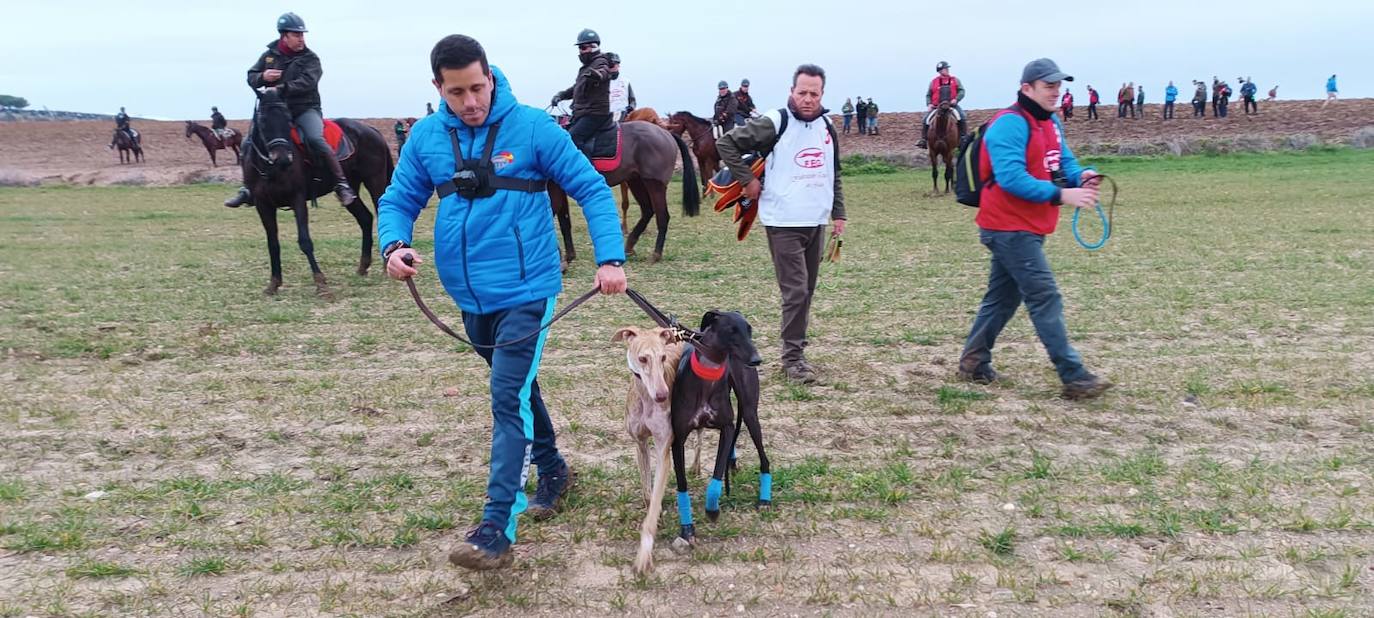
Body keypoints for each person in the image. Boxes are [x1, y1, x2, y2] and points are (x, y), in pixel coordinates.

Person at [379, 34, 627, 571]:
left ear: (491, 77)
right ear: (438, 89)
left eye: (477, 87)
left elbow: (591, 189)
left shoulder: (534, 127)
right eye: (456, 92)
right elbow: (398, 198)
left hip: (527, 290)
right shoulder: (425, 137)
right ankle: (553, 466)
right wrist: (394, 244)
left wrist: (609, 258)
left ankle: (496, 525)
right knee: (517, 388)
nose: (470, 102)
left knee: (505, 394)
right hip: (468, 296)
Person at [957, 58, 1112, 401]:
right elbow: (1012, 179)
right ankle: (1074, 376)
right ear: (1027, 88)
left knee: (1002, 299)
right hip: (1007, 227)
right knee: (1045, 297)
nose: (1056, 91)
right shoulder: (1009, 125)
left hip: (1027, 225)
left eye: (1059, 85)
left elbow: (1063, 162)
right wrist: (1062, 194)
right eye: (1049, 85)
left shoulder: (1050, 122)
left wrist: (1082, 175)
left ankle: (973, 361)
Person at [715, 64, 847, 385]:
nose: (807, 99)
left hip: (815, 221)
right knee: (796, 291)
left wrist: (838, 213)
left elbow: (835, 172)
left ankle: (796, 348)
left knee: (807, 291)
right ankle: (792, 360)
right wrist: (747, 180)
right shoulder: (776, 121)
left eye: (813, 93)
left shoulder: (827, 126)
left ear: (822, 94)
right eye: (801, 92)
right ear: (792, 91)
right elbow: (726, 144)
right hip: (783, 221)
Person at [224, 13, 357, 208]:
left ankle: (341, 184)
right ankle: (247, 189)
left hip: (304, 109)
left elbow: (308, 82)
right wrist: (263, 76)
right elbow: (251, 76)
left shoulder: (310, 58)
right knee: (248, 142)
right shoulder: (269, 56)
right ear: (284, 36)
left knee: (315, 138)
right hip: (276, 112)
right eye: (297, 35)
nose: (301, 38)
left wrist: (280, 88)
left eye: (302, 35)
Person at [551, 29, 613, 158]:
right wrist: (561, 95)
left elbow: (604, 72)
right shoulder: (586, 67)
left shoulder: (601, 62)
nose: (581, 51)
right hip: (582, 113)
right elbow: (576, 88)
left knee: (573, 139)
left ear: (594, 47)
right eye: (580, 48)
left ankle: (587, 173)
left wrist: (597, 75)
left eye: (583, 47)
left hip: (595, 114)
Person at [917, 61, 966, 148]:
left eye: (947, 68)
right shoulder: (933, 82)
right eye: (945, 68)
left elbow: (961, 91)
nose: (947, 69)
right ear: (940, 71)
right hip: (937, 106)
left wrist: (956, 99)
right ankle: (923, 140)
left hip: (952, 106)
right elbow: (929, 94)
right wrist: (929, 104)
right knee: (926, 119)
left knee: (962, 116)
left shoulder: (955, 80)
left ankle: (963, 138)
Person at [605, 52, 636, 122]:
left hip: (624, 115)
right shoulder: (601, 82)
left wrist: (630, 108)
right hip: (607, 116)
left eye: (614, 64)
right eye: (609, 64)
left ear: (618, 65)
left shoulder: (625, 81)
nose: (612, 67)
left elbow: (632, 100)